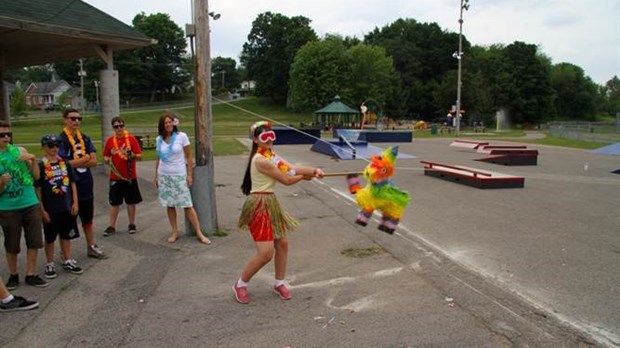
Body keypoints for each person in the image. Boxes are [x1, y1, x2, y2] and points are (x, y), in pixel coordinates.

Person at [233, 120, 324, 304]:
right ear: (256, 140)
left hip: (270, 202)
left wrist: (313, 170)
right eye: (264, 137)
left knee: (282, 243)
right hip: (259, 205)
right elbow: (287, 179)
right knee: (266, 253)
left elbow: (291, 169)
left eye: (271, 136)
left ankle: (279, 283)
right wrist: (304, 176)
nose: (269, 140)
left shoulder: (270, 155)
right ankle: (240, 284)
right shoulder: (260, 160)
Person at [0, 121, 48, 289]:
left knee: (34, 240)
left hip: (29, 202)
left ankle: (31, 273)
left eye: (8, 134)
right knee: (12, 243)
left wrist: (33, 159)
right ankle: (13, 275)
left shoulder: (19, 151)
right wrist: (1, 183)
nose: (6, 137)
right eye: (2, 135)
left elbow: (35, 177)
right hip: (8, 206)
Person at [153, 113, 211, 244]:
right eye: (165, 123)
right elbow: (159, 158)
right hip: (164, 175)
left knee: (187, 205)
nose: (168, 125)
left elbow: (189, 157)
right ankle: (174, 231)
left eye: (170, 122)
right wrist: (156, 175)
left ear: (174, 123)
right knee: (170, 204)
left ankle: (199, 232)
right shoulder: (159, 140)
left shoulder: (181, 137)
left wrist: (189, 175)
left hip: (179, 175)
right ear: (162, 125)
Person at [57, 108, 107, 259]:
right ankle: (65, 254)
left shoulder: (85, 138)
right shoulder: (60, 141)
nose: (76, 121)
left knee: (88, 217)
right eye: (73, 118)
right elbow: (63, 164)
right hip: (69, 186)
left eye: (79, 118)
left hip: (85, 184)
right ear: (65, 120)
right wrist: (83, 160)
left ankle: (91, 246)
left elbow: (94, 161)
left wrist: (78, 162)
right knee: (68, 219)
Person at [35, 135, 83, 279]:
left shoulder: (66, 164)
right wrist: (42, 209)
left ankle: (67, 259)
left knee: (66, 235)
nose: (54, 148)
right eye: (51, 146)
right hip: (50, 207)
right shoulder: (41, 166)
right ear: (43, 148)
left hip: (66, 206)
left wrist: (75, 202)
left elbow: (73, 183)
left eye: (57, 145)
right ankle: (49, 263)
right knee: (50, 237)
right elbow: (38, 189)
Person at [102, 116, 143, 236]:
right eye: (116, 126)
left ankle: (132, 224)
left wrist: (132, 155)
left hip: (130, 176)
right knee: (114, 203)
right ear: (113, 128)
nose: (119, 128)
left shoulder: (131, 139)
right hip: (115, 177)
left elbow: (140, 156)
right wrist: (107, 159)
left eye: (121, 126)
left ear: (124, 126)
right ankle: (111, 226)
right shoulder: (110, 141)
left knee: (131, 202)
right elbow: (105, 156)